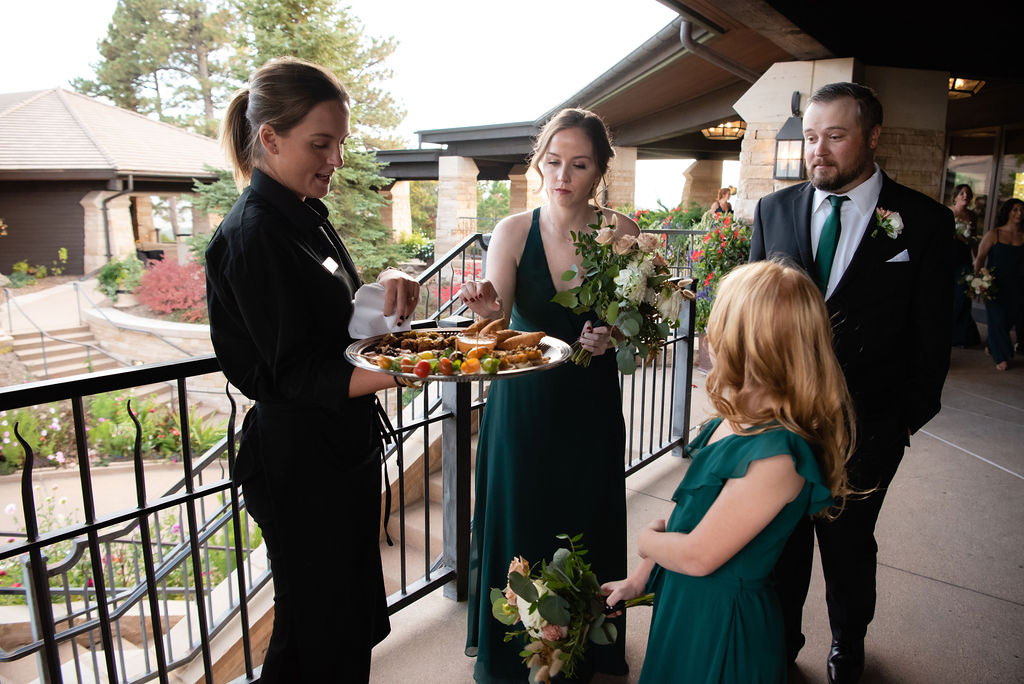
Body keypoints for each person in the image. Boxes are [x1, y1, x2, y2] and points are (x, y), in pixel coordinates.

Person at [204, 57, 420, 682]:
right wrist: (413, 372)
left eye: (339, 144)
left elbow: (339, 326)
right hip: (300, 464)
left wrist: (386, 284)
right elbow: (294, 374)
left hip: (338, 449)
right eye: (319, 144)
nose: (335, 160)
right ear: (269, 137)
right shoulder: (253, 235)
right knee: (317, 636)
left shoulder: (303, 215)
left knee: (347, 624)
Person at [749, 82, 951, 684]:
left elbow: (932, 333)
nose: (819, 151)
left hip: (871, 423)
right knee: (781, 544)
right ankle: (781, 644)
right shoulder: (774, 211)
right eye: (811, 137)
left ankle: (847, 642)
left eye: (835, 136)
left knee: (848, 546)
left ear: (872, 137)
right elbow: (756, 319)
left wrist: (907, 417)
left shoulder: (925, 222)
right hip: (781, 423)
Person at [602, 260, 855, 684]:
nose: (708, 335)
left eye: (720, 325)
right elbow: (693, 524)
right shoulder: (730, 422)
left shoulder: (777, 456)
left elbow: (700, 555)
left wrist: (648, 541)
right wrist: (640, 576)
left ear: (753, 345)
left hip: (723, 625)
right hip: (686, 604)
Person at [458, 107, 638, 682]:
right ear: (540, 163)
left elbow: (635, 321)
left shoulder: (623, 233)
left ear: (598, 170)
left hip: (590, 404)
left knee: (588, 515)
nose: (562, 175)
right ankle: (518, 652)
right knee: (525, 520)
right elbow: (498, 332)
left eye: (578, 164)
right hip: (525, 407)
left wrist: (613, 333)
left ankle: (586, 642)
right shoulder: (512, 231)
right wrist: (489, 315)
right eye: (552, 161)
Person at [974, 197, 1024, 369]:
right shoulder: (993, 234)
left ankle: (992, 345)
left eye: (1021, 210)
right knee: (997, 319)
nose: (1019, 213)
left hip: (1018, 288)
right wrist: (978, 280)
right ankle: (1001, 356)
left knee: (1009, 319)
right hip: (994, 286)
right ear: (1008, 212)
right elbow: (980, 259)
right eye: (1015, 209)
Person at [950, 184, 981, 347]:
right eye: (961, 193)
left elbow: (974, 241)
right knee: (947, 296)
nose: (965, 196)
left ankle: (961, 335)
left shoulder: (972, 216)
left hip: (963, 259)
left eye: (967, 194)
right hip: (948, 258)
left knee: (962, 297)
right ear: (955, 196)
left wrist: (977, 260)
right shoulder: (947, 211)